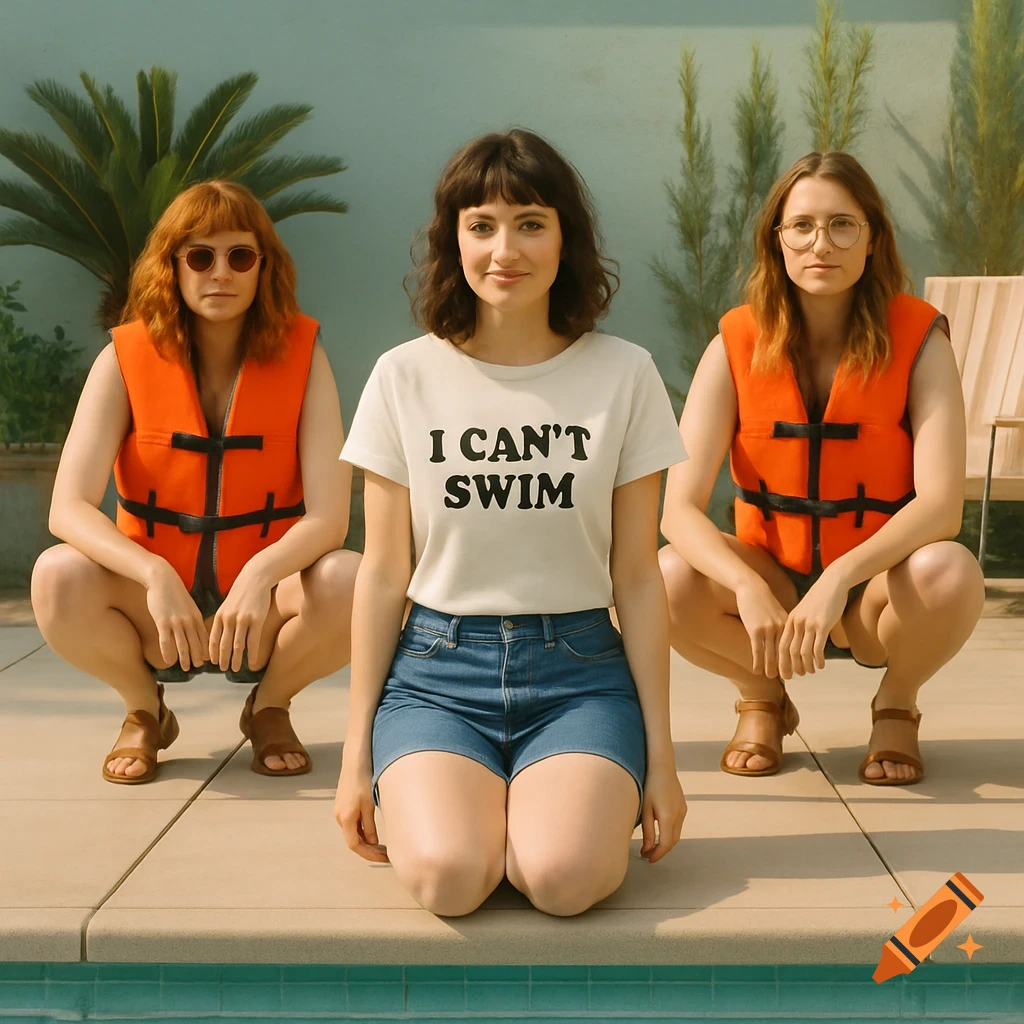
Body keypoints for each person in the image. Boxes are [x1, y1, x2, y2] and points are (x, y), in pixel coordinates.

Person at [333, 129, 687, 917]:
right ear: (452, 239)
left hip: (579, 675)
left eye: (530, 223)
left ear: (566, 237)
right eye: (482, 226)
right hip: (436, 675)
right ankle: (479, 809)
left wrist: (663, 758)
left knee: (563, 879)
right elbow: (383, 572)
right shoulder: (403, 376)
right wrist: (355, 755)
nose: (505, 250)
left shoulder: (624, 374)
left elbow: (637, 575)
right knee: (448, 879)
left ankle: (541, 808)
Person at [659, 151, 985, 786]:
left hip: (873, 591)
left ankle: (897, 703)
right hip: (772, 584)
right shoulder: (733, 342)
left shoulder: (922, 339)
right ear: (776, 240)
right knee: (668, 578)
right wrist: (746, 586)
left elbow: (943, 506)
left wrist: (840, 576)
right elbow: (677, 509)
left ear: (872, 238)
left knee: (950, 570)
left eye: (842, 225)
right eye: (802, 226)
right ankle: (761, 696)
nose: (821, 244)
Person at [31, 181, 360, 784]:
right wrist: (153, 574)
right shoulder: (122, 359)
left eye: (241, 256)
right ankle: (145, 710)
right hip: (155, 603)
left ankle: (269, 706)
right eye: (201, 256)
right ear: (174, 266)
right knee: (56, 575)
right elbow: (68, 508)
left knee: (352, 580)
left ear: (264, 267)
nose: (221, 273)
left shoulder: (305, 357)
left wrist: (260, 575)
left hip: (262, 603)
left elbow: (330, 518)